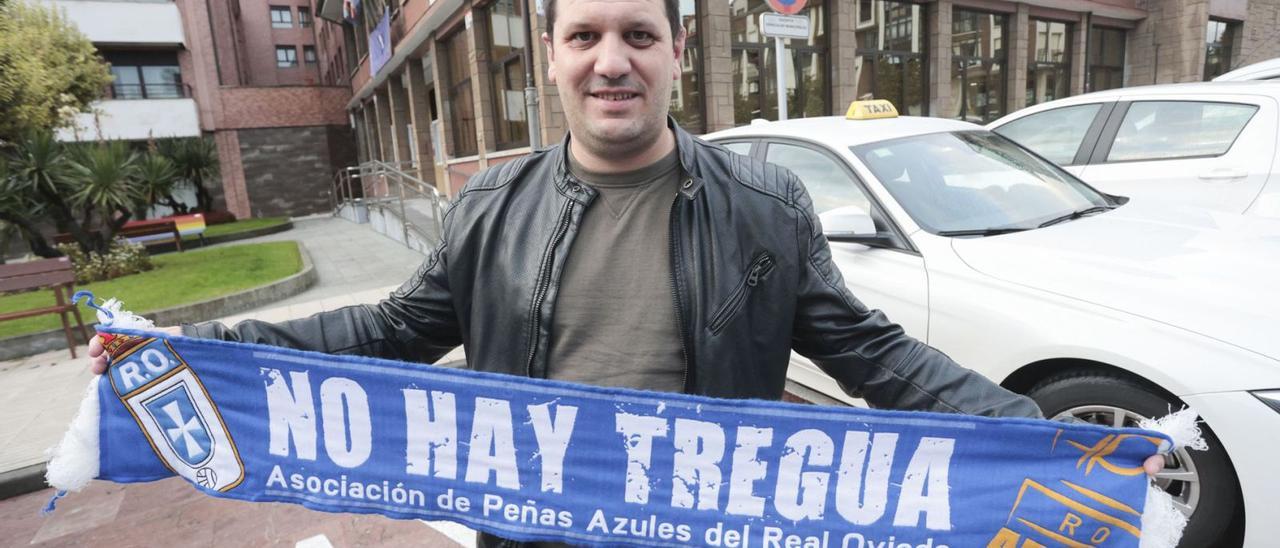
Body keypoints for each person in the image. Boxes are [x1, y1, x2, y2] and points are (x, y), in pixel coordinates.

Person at [88, 0, 1162, 543]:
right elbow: (383, 332)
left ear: (677, 53)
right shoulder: (487, 205)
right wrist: (195, 349)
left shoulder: (763, 203)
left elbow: (871, 355)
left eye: (639, 34)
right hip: (532, 524)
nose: (613, 59)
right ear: (550, 55)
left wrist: (1052, 439)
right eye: (585, 34)